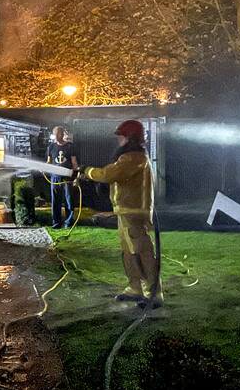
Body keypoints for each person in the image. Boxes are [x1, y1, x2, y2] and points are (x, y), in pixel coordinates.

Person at [75, 120, 160, 307]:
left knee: (141, 251)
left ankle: (153, 293)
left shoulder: (134, 157)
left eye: (121, 136)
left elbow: (109, 174)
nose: (118, 139)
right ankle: (135, 288)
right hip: (127, 210)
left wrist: (87, 170)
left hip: (133, 211)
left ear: (130, 137)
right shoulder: (133, 157)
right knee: (129, 251)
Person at [46, 126, 78, 228]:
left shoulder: (70, 146)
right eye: (55, 134)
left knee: (69, 200)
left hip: (67, 178)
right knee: (55, 201)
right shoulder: (51, 147)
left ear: (62, 134)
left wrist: (76, 176)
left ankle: (69, 222)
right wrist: (44, 167)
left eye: (58, 134)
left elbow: (74, 162)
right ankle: (56, 223)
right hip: (55, 178)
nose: (57, 136)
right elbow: (49, 161)